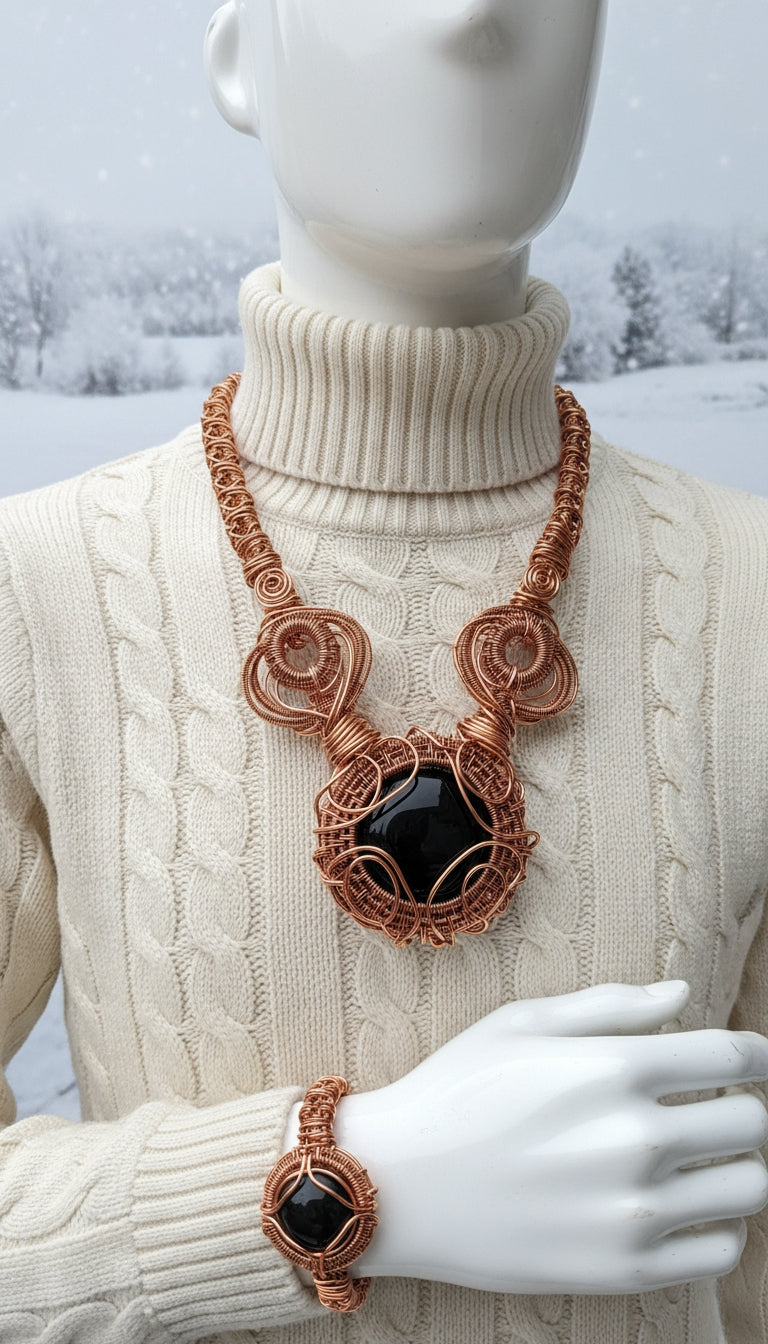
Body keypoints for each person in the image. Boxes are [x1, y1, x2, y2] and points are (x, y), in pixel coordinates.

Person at [0, 2, 767, 1341]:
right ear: (238, 56)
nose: (473, 14)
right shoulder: (36, 589)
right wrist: (351, 1184)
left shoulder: (747, 589)